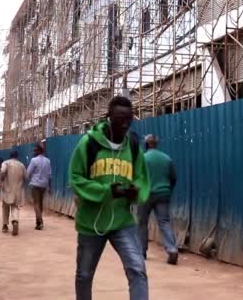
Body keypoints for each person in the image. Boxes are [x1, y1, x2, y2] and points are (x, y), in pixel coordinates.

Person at [69, 95, 150, 300]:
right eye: (120, 118)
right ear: (108, 117)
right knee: (84, 274)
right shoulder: (88, 144)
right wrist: (106, 191)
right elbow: (75, 178)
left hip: (123, 221)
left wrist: (136, 191)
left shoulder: (132, 146)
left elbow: (142, 177)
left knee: (137, 269)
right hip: (91, 222)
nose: (125, 123)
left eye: (129, 119)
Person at [137, 134, 178, 265]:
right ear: (157, 144)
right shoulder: (167, 158)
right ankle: (172, 249)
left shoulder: (142, 158)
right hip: (163, 193)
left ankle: (141, 252)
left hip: (146, 195)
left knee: (142, 223)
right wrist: (168, 190)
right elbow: (173, 178)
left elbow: (137, 177)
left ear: (147, 144)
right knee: (164, 222)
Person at [0, 150, 27, 235]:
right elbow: (26, 177)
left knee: (5, 206)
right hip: (17, 190)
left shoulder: (6, 163)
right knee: (15, 206)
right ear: (17, 156)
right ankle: (15, 221)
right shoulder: (21, 165)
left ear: (10, 155)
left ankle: (5, 225)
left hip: (7, 188)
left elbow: (2, 171)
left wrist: (1, 180)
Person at [27, 144, 51, 230]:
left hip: (35, 184)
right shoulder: (48, 161)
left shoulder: (33, 160)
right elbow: (49, 175)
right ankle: (38, 223)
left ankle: (40, 221)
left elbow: (28, 173)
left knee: (36, 203)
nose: (33, 152)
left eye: (35, 151)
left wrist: (28, 180)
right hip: (44, 185)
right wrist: (50, 187)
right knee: (40, 203)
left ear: (38, 151)